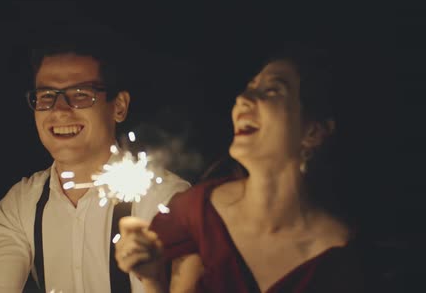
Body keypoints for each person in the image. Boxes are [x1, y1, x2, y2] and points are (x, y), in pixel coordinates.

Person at [115, 47, 367, 292]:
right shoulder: (196, 213)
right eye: (249, 89)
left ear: (313, 132)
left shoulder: (346, 260)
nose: (243, 100)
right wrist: (151, 280)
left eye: (271, 91)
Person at [0, 25, 190, 293]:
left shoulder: (164, 199)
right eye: (46, 96)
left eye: (81, 95)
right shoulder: (22, 204)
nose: (60, 110)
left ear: (119, 107)